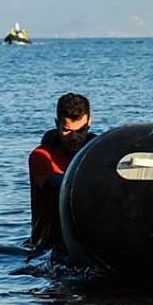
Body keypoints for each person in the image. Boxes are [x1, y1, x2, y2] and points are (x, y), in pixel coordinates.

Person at [28, 93, 95, 255]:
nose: (74, 137)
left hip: (85, 238)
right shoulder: (42, 156)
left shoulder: (97, 151)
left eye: (81, 130)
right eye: (67, 130)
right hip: (48, 244)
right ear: (57, 124)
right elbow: (63, 184)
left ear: (89, 123)